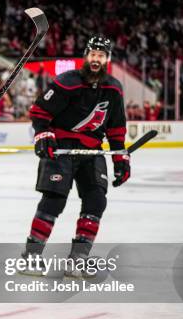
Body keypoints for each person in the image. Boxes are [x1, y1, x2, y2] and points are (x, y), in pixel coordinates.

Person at [25, 35, 129, 278]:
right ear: (85, 56)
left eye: (101, 56)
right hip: (60, 147)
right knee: (54, 200)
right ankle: (31, 257)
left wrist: (120, 158)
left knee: (96, 201)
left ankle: (78, 259)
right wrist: (43, 134)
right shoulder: (66, 82)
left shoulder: (114, 89)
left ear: (107, 59)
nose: (96, 59)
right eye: (93, 54)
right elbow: (39, 112)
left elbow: (116, 128)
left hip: (91, 150)